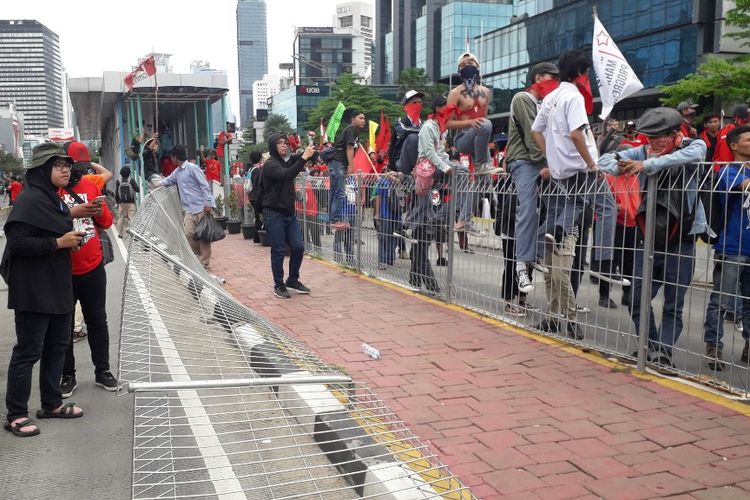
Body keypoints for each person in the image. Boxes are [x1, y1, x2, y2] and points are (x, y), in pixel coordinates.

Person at [598, 107, 708, 369]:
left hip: (681, 236)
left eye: (657, 137)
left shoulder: (693, 145)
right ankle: (651, 346)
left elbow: (693, 155)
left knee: (673, 302)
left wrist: (646, 165)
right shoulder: (643, 150)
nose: (651, 143)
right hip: (647, 235)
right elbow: (603, 161)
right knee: (637, 298)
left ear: (673, 133)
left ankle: (664, 354)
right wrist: (622, 167)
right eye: (647, 137)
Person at [2, 142, 86, 437]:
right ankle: (16, 413)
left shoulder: (56, 200)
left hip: (57, 284)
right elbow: (17, 243)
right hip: (33, 290)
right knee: (28, 352)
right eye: (58, 165)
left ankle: (51, 403)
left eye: (67, 165)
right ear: (41, 170)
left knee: (57, 347)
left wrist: (70, 234)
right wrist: (57, 243)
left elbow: (56, 228)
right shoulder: (28, 201)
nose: (66, 169)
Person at [531, 49, 625, 288]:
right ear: (581, 74)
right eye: (587, 74)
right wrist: (592, 164)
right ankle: (602, 264)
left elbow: (536, 130)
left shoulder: (552, 96)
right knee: (607, 207)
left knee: (576, 204)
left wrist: (550, 157)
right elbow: (576, 134)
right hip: (580, 167)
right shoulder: (574, 98)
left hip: (562, 169)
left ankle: (541, 244)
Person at [58, 156, 117, 397]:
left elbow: (107, 221)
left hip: (93, 267)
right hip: (62, 271)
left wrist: (98, 209)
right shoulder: (52, 191)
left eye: (77, 169)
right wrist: (72, 213)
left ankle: (102, 371)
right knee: (63, 326)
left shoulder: (91, 185)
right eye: (67, 168)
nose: (73, 174)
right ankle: (67, 375)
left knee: (97, 322)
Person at [506, 61, 560, 293]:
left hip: (542, 162)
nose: (554, 83)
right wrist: (543, 163)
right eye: (551, 78)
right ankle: (521, 267)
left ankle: (535, 250)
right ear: (538, 78)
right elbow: (532, 135)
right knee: (528, 209)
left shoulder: (542, 104)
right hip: (524, 161)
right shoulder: (523, 99)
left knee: (563, 205)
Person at [702, 125, 750, 370]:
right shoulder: (728, 172)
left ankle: (748, 345)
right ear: (734, 146)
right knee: (721, 301)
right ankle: (713, 346)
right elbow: (745, 186)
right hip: (732, 247)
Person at [261, 134, 316, 298]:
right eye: (280, 143)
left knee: (298, 247)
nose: (284, 145)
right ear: (273, 146)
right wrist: (304, 157)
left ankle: (293, 280)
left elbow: (302, 157)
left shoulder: (287, 160)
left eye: (285, 142)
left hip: (289, 213)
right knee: (278, 250)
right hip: (274, 213)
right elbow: (287, 175)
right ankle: (279, 284)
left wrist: (311, 148)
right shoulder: (270, 165)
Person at [160, 145, 216, 268]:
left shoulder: (192, 168)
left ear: (175, 157)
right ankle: (198, 257)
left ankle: (204, 264)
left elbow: (204, 186)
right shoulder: (177, 172)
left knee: (204, 237)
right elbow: (168, 180)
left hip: (201, 208)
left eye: (172, 157)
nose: (171, 160)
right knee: (188, 234)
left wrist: (208, 204)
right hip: (189, 210)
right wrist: (157, 184)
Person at [446, 52, 501, 175]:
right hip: (463, 138)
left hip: (480, 136)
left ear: (477, 66)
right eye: (463, 65)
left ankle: (482, 174)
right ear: (459, 70)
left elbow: (484, 117)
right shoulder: (455, 93)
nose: (467, 66)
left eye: (470, 63)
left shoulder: (486, 92)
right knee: (485, 124)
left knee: (485, 183)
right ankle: (480, 165)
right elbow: (447, 123)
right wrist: (470, 122)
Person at [329, 109, 366, 231]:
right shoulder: (352, 129)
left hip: (337, 163)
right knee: (339, 192)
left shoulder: (354, 132)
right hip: (339, 162)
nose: (363, 121)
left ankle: (333, 218)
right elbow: (349, 148)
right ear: (353, 119)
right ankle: (335, 220)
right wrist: (352, 166)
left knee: (335, 191)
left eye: (364, 118)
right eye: (360, 118)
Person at [388, 89, 424, 174]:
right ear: (406, 107)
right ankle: (416, 170)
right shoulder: (400, 122)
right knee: (413, 137)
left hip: (422, 159)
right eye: (414, 103)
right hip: (402, 161)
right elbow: (404, 130)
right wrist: (424, 131)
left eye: (420, 102)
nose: (418, 105)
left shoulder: (424, 123)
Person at [374, 171, 403, 268]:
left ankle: (391, 259)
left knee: (394, 238)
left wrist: (397, 181)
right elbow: (378, 197)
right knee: (383, 238)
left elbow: (403, 196)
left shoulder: (399, 183)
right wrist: (377, 213)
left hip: (396, 216)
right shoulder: (383, 181)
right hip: (385, 214)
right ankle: (381, 261)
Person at [115, 166, 139, 237]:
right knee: (132, 217)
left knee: (121, 217)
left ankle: (120, 233)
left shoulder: (118, 181)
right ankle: (133, 233)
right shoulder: (131, 181)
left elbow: (116, 193)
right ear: (129, 174)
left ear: (121, 174)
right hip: (131, 203)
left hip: (122, 203)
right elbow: (138, 190)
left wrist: (117, 202)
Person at [246, 151, 264, 243]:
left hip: (251, 196)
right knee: (259, 217)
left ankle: (257, 237)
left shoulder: (251, 169)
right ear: (260, 158)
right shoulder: (257, 171)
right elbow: (257, 185)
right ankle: (257, 237)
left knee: (257, 217)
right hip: (256, 196)